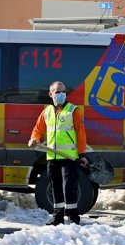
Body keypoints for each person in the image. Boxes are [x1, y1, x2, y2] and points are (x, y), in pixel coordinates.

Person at [28, 81, 89, 225]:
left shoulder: (73, 110)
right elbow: (38, 129)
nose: (61, 95)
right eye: (57, 92)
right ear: (50, 94)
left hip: (69, 157)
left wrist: (81, 155)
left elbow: (81, 134)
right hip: (52, 157)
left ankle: (73, 218)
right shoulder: (47, 112)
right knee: (55, 187)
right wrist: (34, 139)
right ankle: (58, 217)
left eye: (63, 92)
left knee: (69, 187)